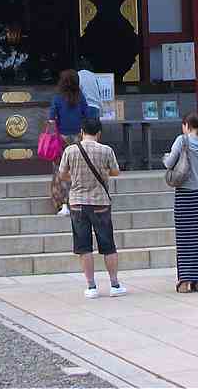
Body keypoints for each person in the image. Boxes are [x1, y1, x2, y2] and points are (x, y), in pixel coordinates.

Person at [56, 115, 126, 299]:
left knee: (84, 246)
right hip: (100, 202)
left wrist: (75, 179)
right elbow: (116, 171)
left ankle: (91, 286)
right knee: (108, 245)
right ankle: (114, 284)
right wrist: (104, 174)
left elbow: (62, 175)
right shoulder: (106, 150)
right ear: (99, 133)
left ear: (81, 132)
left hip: (78, 202)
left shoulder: (70, 151)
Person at [164, 112, 198, 292]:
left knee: (186, 237)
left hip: (185, 195)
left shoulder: (182, 140)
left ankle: (185, 280)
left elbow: (169, 163)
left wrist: (165, 157)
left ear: (186, 125)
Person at [47, 69, 92, 214]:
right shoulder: (81, 97)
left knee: (59, 170)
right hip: (79, 138)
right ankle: (78, 201)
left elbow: (51, 118)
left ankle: (61, 203)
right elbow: (87, 116)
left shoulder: (58, 98)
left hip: (61, 138)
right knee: (77, 170)